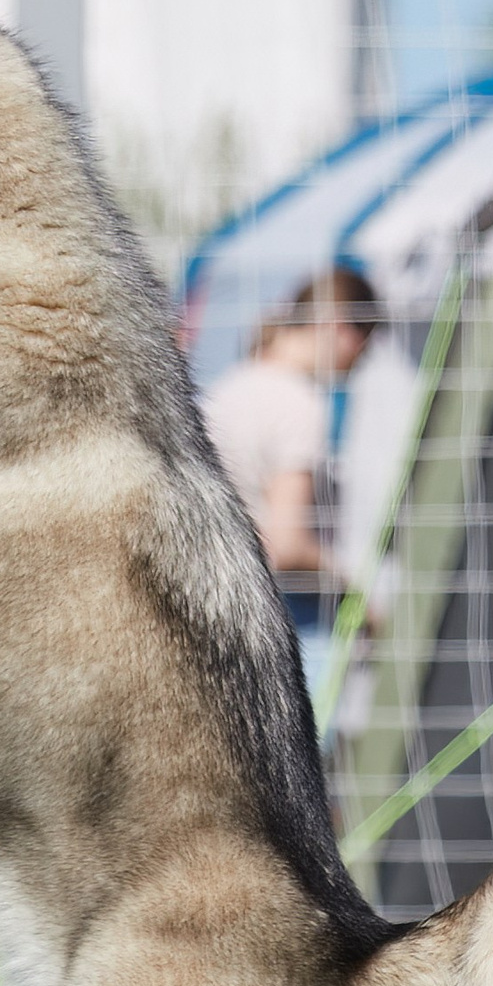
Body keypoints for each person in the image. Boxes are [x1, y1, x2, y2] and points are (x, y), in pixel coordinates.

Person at [200, 265, 381, 711]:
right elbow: (285, 545)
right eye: (364, 348)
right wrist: (356, 592)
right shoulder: (299, 404)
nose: (358, 366)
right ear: (340, 328)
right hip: (278, 632)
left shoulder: (227, 389)